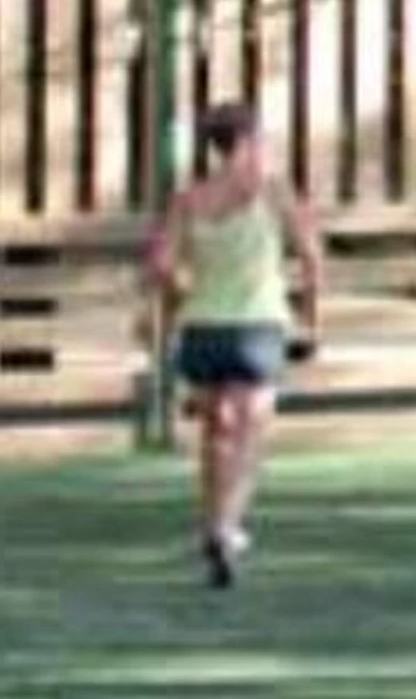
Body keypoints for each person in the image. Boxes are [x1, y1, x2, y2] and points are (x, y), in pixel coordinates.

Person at [147, 104, 323, 588]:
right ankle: (227, 527)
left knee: (216, 432)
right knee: (251, 433)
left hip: (203, 327)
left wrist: (185, 296)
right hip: (259, 326)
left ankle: (212, 525)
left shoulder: (188, 199)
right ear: (246, 140)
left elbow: (161, 266)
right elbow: (311, 255)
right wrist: (313, 318)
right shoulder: (274, 190)